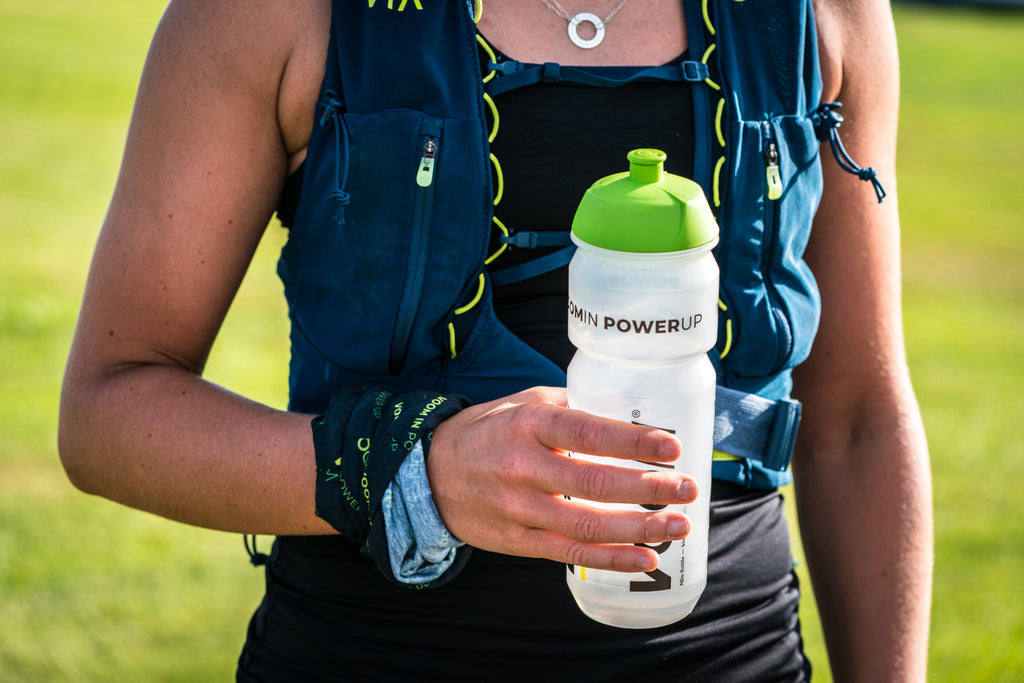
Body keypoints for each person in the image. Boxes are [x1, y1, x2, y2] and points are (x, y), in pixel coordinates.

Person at [58, 0, 932, 680]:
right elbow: (110, 407)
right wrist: (413, 471)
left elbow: (855, 421)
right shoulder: (274, 16)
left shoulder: (821, 15)